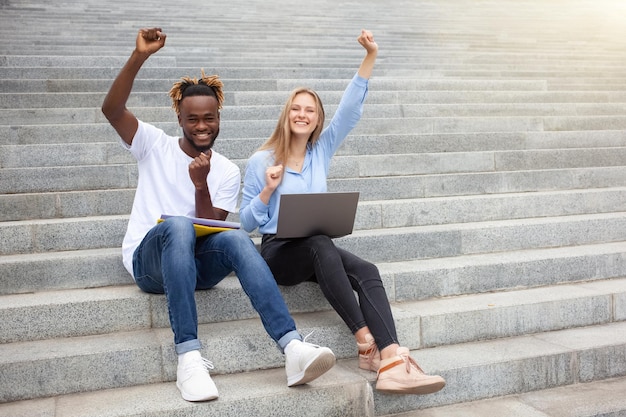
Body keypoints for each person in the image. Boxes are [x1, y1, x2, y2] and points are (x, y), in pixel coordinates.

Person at [101, 27, 335, 403]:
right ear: (179, 117)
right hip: (151, 264)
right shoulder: (153, 146)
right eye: (193, 119)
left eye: (208, 118)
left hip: (196, 265)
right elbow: (111, 110)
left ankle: (292, 348)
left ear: (218, 116)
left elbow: (211, 230)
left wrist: (201, 185)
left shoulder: (225, 170)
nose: (201, 126)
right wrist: (139, 56)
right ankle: (189, 359)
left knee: (236, 236)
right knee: (176, 225)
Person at [239, 29, 445, 395]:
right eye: (296, 109)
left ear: (318, 120)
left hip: (316, 248)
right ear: (287, 115)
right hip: (277, 252)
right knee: (320, 242)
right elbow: (245, 225)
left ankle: (391, 357)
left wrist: (370, 56)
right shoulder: (261, 161)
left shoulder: (321, 152)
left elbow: (349, 110)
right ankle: (365, 340)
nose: (302, 115)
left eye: (310, 110)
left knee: (367, 270)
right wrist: (268, 190)